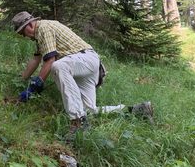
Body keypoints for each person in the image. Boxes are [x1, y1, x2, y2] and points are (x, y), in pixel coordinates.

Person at [12, 11, 154, 137]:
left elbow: (49, 61)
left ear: (29, 26)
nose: (24, 36)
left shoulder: (43, 28)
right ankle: (136, 110)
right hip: (85, 64)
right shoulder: (41, 34)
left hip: (84, 60)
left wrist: (36, 85)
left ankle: (77, 122)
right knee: (89, 111)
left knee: (58, 66)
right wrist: (21, 80)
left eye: (22, 33)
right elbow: (36, 59)